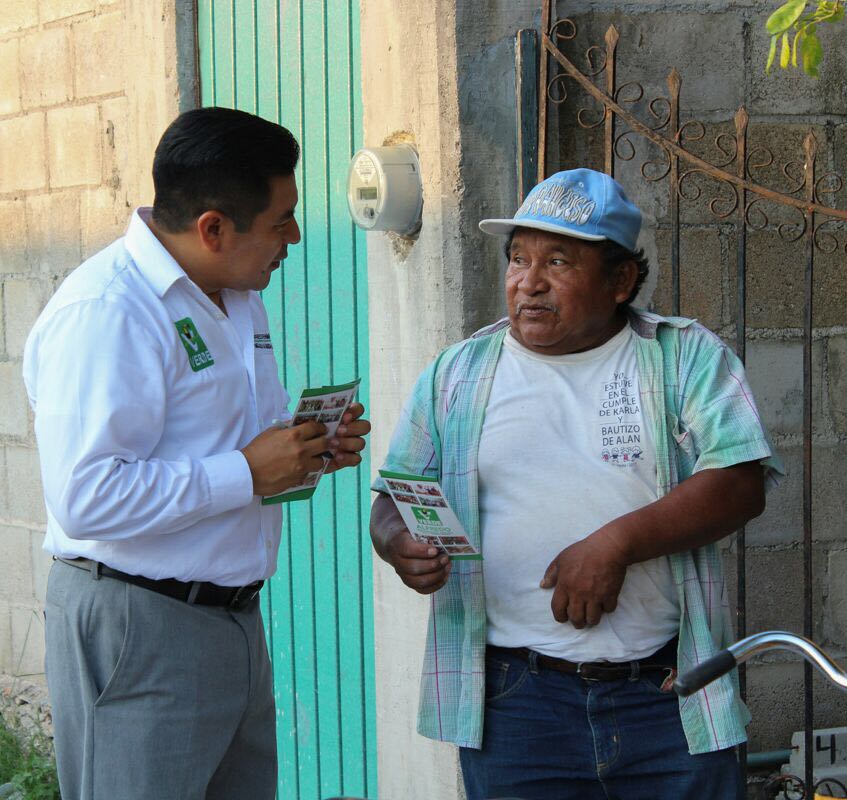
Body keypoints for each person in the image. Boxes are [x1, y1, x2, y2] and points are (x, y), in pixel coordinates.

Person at [370, 168, 783, 800]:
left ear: (620, 280)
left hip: (668, 695)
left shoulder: (684, 357)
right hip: (516, 704)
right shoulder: (457, 373)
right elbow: (395, 496)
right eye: (517, 259)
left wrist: (616, 544)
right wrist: (399, 543)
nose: (527, 283)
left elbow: (739, 481)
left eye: (557, 261)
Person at [22, 107, 370, 800]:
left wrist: (302, 451)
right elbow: (85, 496)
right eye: (280, 221)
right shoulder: (108, 313)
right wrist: (246, 472)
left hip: (230, 622)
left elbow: (227, 444)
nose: (293, 237)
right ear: (213, 228)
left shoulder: (237, 297)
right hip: (138, 626)